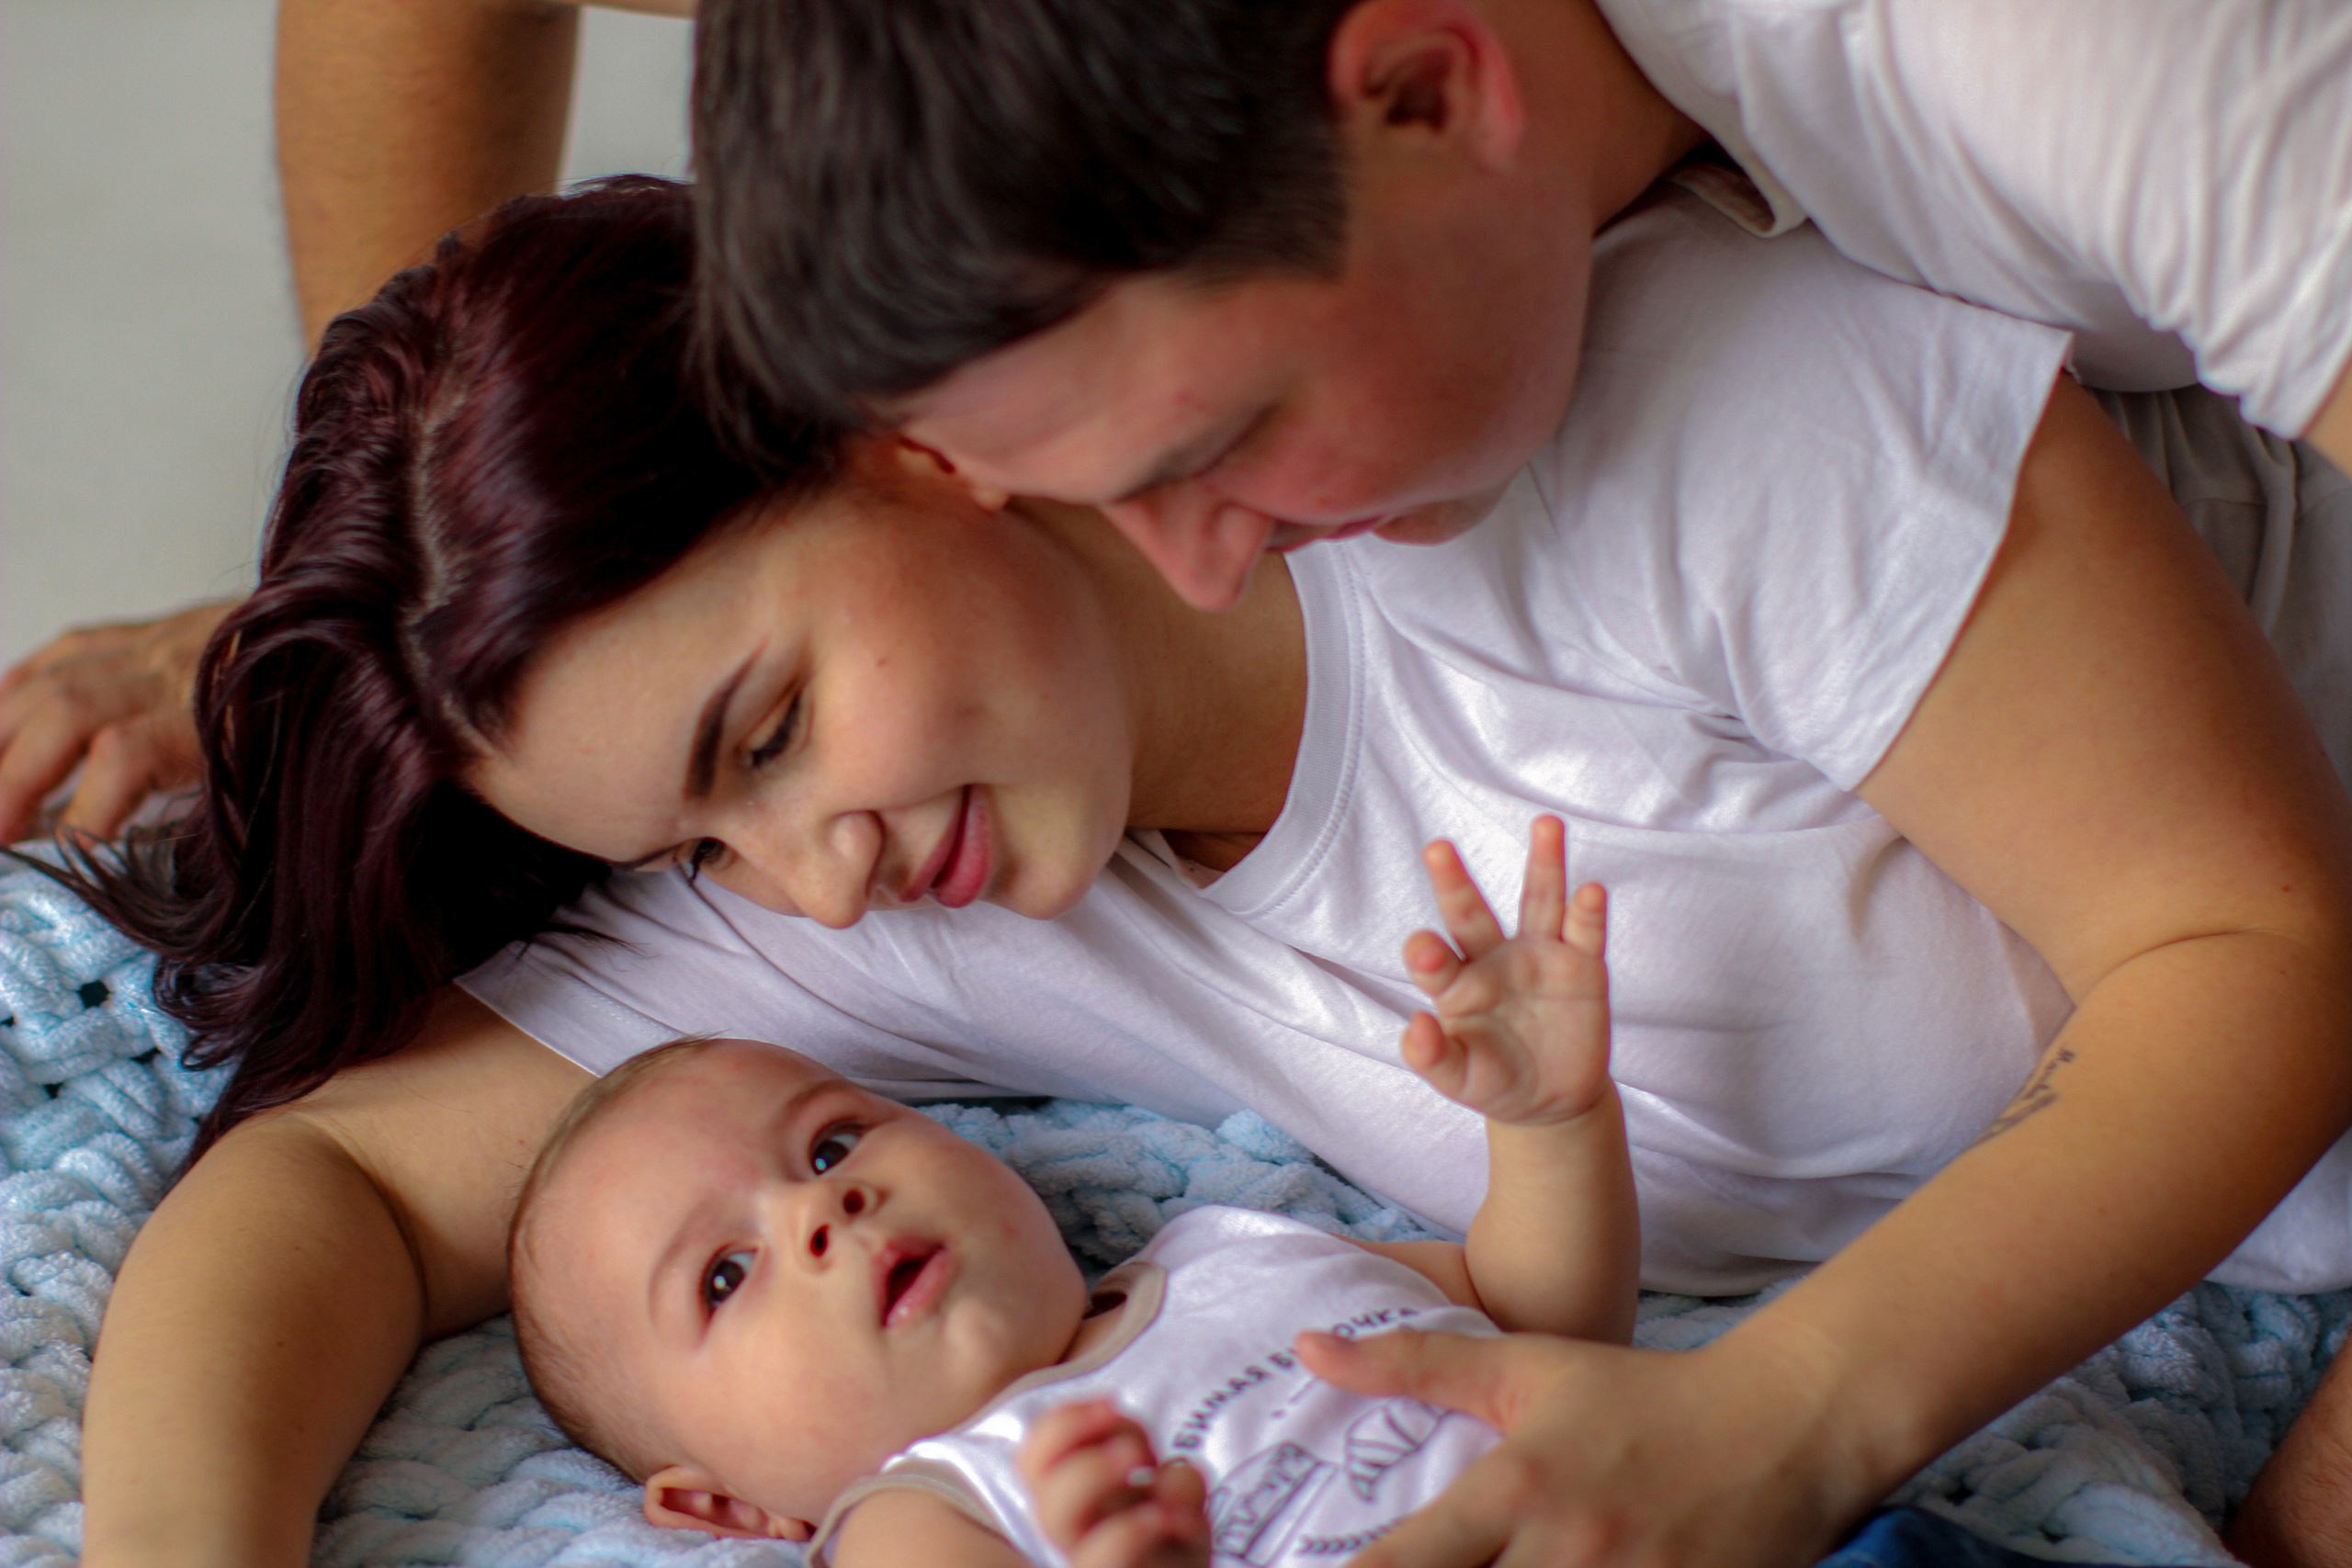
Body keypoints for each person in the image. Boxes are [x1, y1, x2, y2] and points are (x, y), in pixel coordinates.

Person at [66, 181, 2352, 1568]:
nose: (804, 889)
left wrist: (1781, 1420)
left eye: (762, 733)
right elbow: (330, 1184)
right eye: (697, 839)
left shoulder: (1614, 432)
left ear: (900, 435)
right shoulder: (935, 875)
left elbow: (2251, 942)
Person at [9, 0, 2349, 843]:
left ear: (1419, 86)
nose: (1199, 564)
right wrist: (426, 572)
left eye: (1201, 447)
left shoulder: (2050, 58)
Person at [503, 818, 1632, 1562]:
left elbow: (1542, 1324)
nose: (817, 1211)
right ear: (726, 1509)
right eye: (724, 1275)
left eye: (833, 1146)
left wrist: (1550, 1124)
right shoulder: (926, 1511)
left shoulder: (1229, 1251)